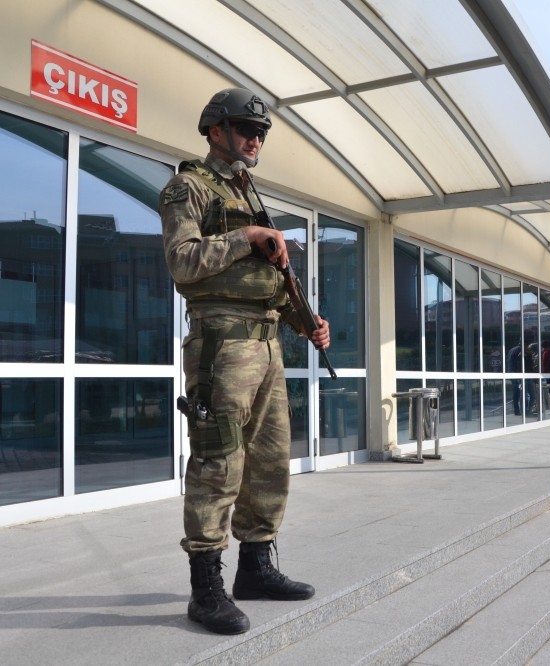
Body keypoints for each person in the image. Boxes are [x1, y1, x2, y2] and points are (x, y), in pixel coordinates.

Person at [159, 88, 330, 636]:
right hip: (223, 343)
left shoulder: (247, 192)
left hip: (267, 341)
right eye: (244, 129)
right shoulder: (188, 187)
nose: (254, 140)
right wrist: (246, 236)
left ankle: (255, 569)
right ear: (214, 130)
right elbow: (183, 262)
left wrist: (307, 321)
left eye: (260, 133)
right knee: (218, 461)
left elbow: (274, 281)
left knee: (269, 460)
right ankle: (205, 588)